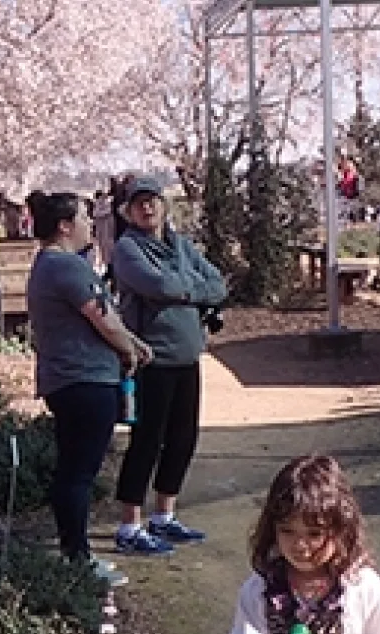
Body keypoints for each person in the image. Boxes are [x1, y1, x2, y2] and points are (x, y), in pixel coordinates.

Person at [24, 190, 152, 586]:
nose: (89, 226)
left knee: (73, 470)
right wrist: (131, 348)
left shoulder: (49, 266)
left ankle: (73, 553)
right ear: (64, 226)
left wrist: (133, 341)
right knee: (78, 474)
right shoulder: (67, 268)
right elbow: (105, 322)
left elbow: (105, 318)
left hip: (69, 380)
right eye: (83, 218)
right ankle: (78, 559)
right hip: (83, 381)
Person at [107, 179, 226, 555]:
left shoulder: (180, 245)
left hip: (188, 358)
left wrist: (183, 288)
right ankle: (130, 525)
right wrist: (190, 288)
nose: (148, 209)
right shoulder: (127, 249)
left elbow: (217, 284)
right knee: (146, 442)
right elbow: (154, 284)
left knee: (182, 439)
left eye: (153, 201)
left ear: (164, 205)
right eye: (139, 203)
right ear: (128, 211)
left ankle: (164, 516)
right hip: (151, 361)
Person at [229, 455, 380, 634]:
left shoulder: (361, 586)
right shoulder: (259, 590)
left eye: (314, 533)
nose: (299, 545)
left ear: (342, 529)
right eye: (287, 531)